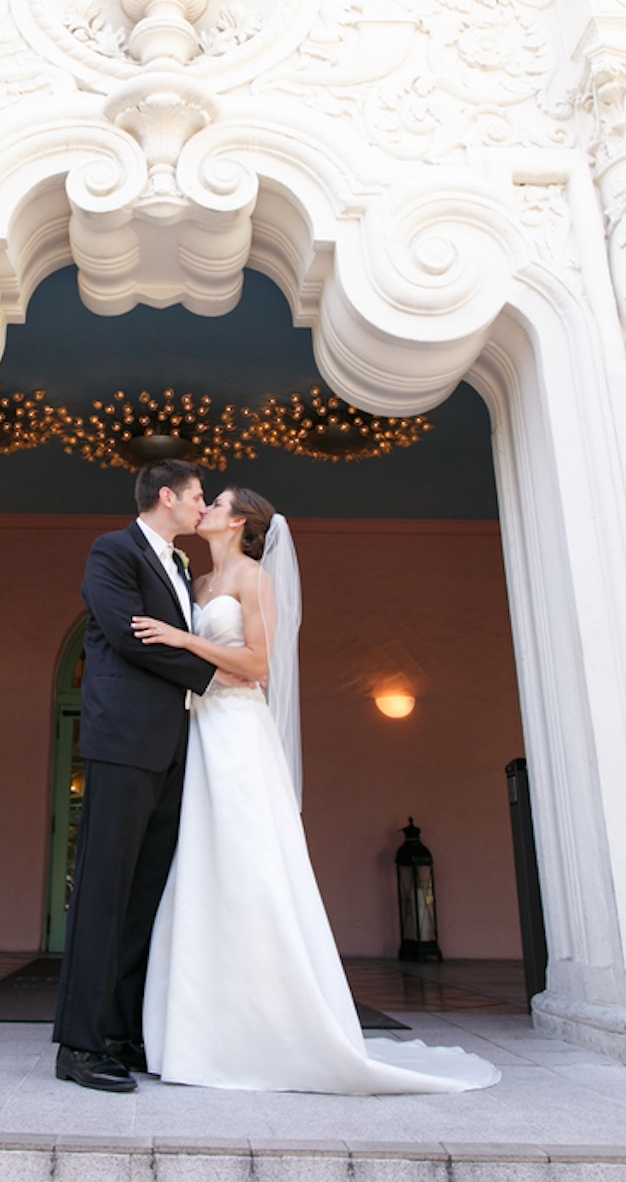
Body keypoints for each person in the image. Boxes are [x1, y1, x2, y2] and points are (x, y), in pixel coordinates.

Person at [132, 486, 501, 1094]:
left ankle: (273, 1028)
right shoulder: (195, 584)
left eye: (216, 503)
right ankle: (195, 1033)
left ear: (241, 522)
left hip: (240, 734)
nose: (206, 510)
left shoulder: (254, 579)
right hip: (199, 733)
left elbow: (258, 665)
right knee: (199, 869)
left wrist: (183, 641)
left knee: (251, 868)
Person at [52, 459, 217, 1093]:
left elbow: (164, 636)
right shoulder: (113, 550)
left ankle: (121, 1030)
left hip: (173, 751)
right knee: (101, 892)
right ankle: (79, 1045)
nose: (203, 507)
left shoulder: (179, 565)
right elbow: (128, 637)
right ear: (167, 497)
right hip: (122, 745)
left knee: (144, 897)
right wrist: (209, 671)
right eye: (198, 496)